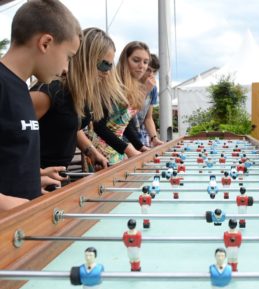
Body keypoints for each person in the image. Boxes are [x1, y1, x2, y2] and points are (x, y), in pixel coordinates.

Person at [0, 0, 81, 211]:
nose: (66, 69)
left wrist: (30, 177)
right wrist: (7, 203)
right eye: (68, 57)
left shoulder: (21, 90)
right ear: (45, 43)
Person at [30, 27, 124, 171]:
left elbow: (69, 125)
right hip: (35, 183)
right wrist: (33, 175)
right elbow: (10, 131)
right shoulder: (51, 91)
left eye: (111, 66)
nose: (107, 72)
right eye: (104, 65)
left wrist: (91, 151)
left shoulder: (80, 94)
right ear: (85, 60)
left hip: (57, 178)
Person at [88, 41, 151, 165]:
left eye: (145, 62)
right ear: (125, 60)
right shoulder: (111, 83)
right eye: (136, 60)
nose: (141, 66)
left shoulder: (134, 86)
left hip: (119, 148)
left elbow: (124, 123)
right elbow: (99, 126)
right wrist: (128, 149)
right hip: (102, 150)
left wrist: (139, 146)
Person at [136, 53, 164, 147]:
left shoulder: (153, 89)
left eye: (154, 71)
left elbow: (148, 118)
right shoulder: (132, 85)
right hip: (124, 133)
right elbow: (128, 114)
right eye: (148, 70)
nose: (151, 74)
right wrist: (145, 90)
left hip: (140, 131)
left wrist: (154, 138)